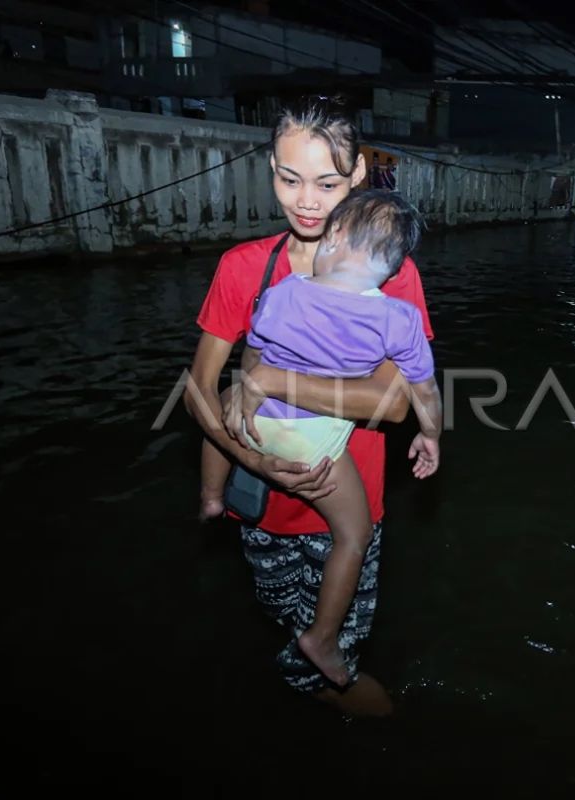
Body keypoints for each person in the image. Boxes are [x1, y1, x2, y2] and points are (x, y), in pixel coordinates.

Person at [184, 98, 433, 716]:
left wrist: (271, 379)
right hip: (263, 506)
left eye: (327, 183)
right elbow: (198, 389)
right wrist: (256, 462)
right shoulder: (244, 267)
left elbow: (395, 403)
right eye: (289, 178)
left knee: (325, 668)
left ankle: (398, 741)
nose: (306, 200)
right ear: (270, 167)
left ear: (354, 180)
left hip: (346, 498)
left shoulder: (390, 272)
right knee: (293, 647)